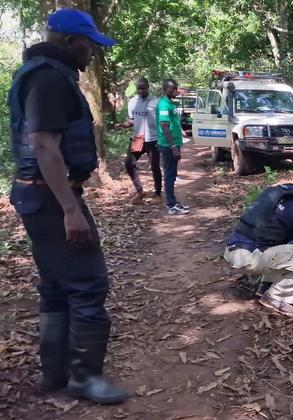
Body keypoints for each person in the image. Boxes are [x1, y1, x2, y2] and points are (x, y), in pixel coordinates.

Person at [7, 8, 128, 404]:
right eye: (91, 44)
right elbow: (44, 144)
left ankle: (55, 373)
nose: (93, 52)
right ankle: (83, 378)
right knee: (88, 282)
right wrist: (70, 209)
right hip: (50, 195)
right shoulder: (48, 78)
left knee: (57, 285)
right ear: (72, 42)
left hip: (38, 193)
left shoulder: (44, 72)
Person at [224, 181, 293, 317]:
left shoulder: (285, 195)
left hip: (233, 248)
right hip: (249, 258)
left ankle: (266, 286)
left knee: (289, 248)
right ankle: (276, 298)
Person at [115, 77, 161, 204]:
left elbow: (163, 121)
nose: (141, 91)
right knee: (129, 164)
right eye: (138, 89)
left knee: (155, 166)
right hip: (138, 138)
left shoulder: (156, 102)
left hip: (153, 139)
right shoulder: (132, 102)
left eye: (143, 88)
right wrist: (122, 125)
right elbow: (131, 121)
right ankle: (140, 191)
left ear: (148, 87)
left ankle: (158, 195)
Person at [156, 79, 190, 215]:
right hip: (167, 145)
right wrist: (173, 147)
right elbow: (164, 126)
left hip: (173, 144)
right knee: (169, 175)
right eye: (172, 89)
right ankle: (171, 205)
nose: (175, 91)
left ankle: (174, 202)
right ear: (165, 89)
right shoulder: (164, 104)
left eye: (176, 89)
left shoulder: (170, 103)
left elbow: (173, 123)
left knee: (173, 174)